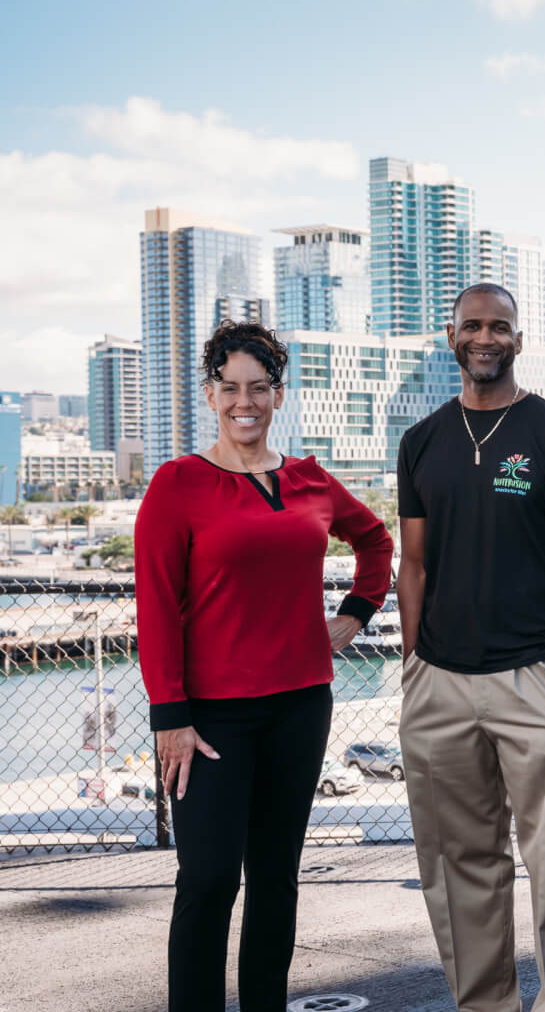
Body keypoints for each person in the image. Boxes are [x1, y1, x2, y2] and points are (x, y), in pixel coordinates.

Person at [135, 321, 393, 1012]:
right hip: (211, 718)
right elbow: (156, 609)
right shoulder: (178, 483)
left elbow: (376, 540)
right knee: (210, 880)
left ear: (279, 394)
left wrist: (355, 614)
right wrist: (171, 717)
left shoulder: (309, 479)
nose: (243, 401)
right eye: (229, 388)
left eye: (258, 388)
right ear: (211, 394)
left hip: (302, 705)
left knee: (276, 879)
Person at [396, 283, 545, 1012]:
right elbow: (413, 562)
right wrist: (412, 662)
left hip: (537, 679)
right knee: (459, 868)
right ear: (450, 333)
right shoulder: (420, 441)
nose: (485, 337)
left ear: (520, 337)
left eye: (500, 327)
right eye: (472, 325)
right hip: (439, 685)